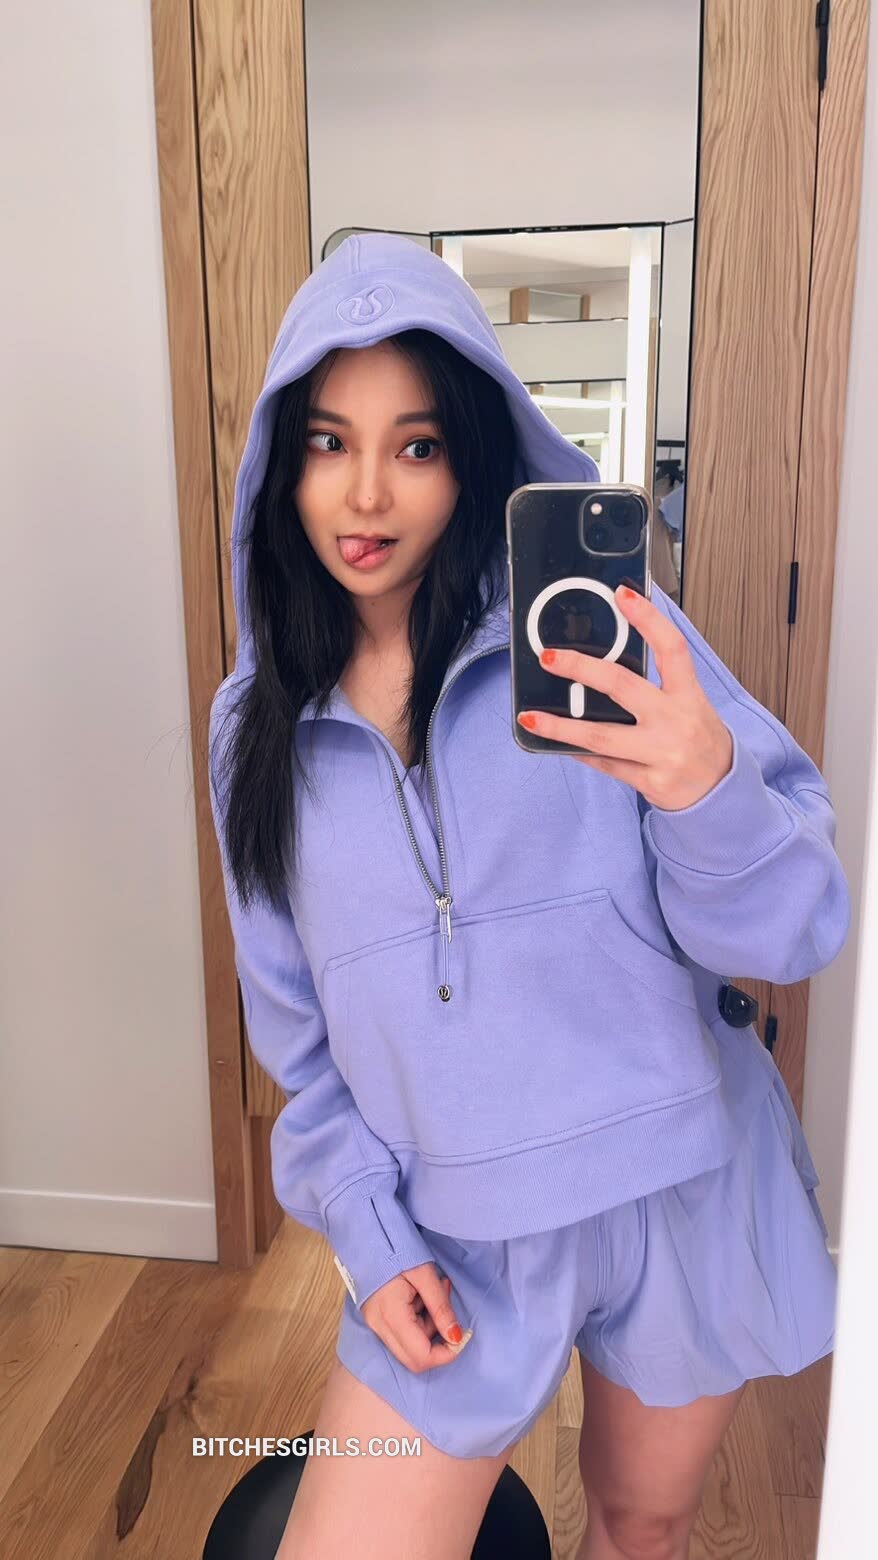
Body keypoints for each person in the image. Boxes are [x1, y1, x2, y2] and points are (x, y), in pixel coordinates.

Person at [207, 232, 850, 1560]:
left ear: (475, 455)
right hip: (454, 1229)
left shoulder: (606, 642)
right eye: (328, 443)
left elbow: (792, 930)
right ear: (280, 465)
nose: (366, 492)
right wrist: (368, 1234)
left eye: (418, 445)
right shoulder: (251, 731)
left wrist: (706, 788)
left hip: (679, 1180)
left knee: (641, 1526)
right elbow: (297, 1039)